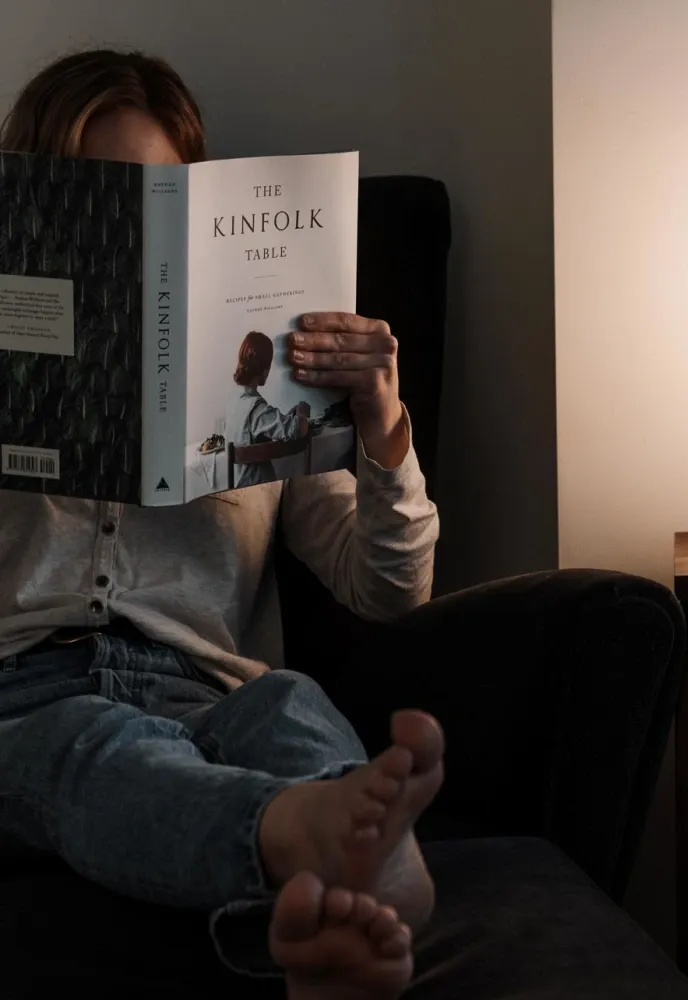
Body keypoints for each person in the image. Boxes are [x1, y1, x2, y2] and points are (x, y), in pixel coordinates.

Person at [0, 49, 445, 1000]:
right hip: (26, 696)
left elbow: (391, 586)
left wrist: (380, 423)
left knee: (290, 705)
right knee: (93, 743)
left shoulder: (274, 376)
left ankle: (346, 893)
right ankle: (318, 846)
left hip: (211, 688)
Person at [226, 330, 311, 488]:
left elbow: (257, 429)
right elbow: (299, 429)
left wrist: (286, 417)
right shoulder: (256, 409)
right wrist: (302, 411)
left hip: (238, 487)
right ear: (264, 368)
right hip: (259, 490)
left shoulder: (234, 401)